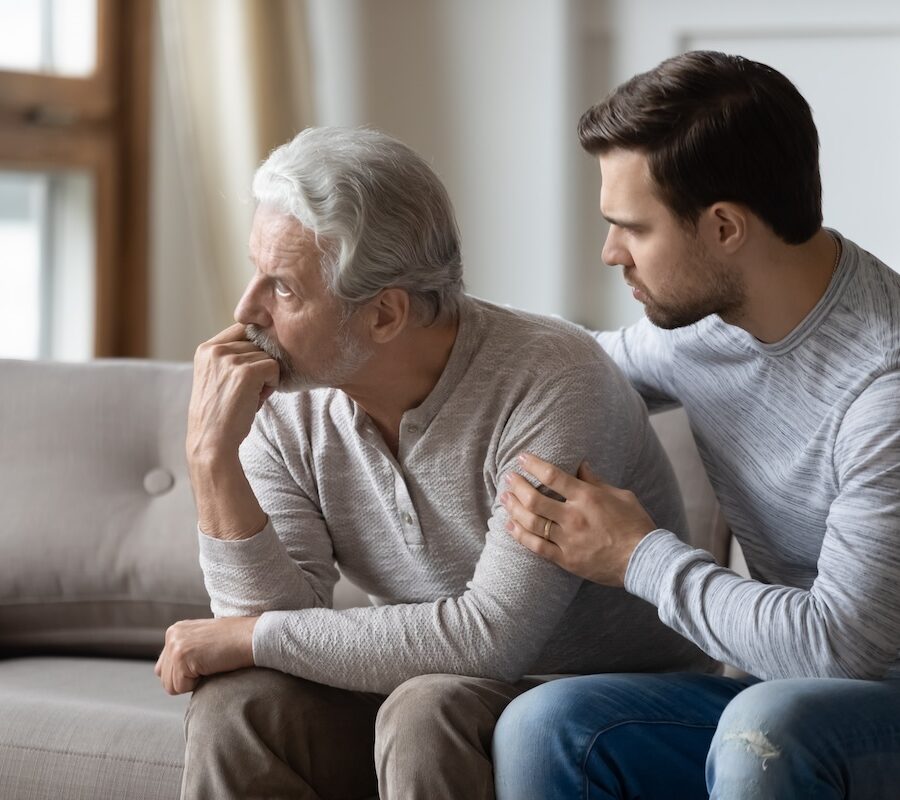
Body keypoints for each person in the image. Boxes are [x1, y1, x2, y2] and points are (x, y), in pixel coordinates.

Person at [152, 126, 711, 800]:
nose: (247, 312)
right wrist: (212, 461)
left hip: (606, 704)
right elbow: (268, 621)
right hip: (436, 690)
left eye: (285, 290)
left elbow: (492, 637)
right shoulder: (283, 395)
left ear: (385, 314)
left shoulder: (550, 380)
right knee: (239, 705)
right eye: (254, 273)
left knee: (426, 710)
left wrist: (255, 638)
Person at [493, 50, 900, 799]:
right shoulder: (699, 332)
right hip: (784, 696)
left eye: (632, 229)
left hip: (858, 692)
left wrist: (636, 554)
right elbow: (558, 366)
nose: (610, 253)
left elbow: (842, 647)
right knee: (544, 723)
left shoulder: (884, 389)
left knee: (772, 725)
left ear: (722, 227)